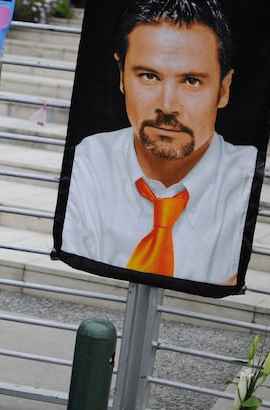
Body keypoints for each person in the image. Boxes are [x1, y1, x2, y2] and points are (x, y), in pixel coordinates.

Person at [60, 0, 257, 285]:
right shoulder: (88, 160)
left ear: (224, 89)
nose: (167, 106)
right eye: (149, 76)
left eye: (191, 81)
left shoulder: (247, 177)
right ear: (122, 77)